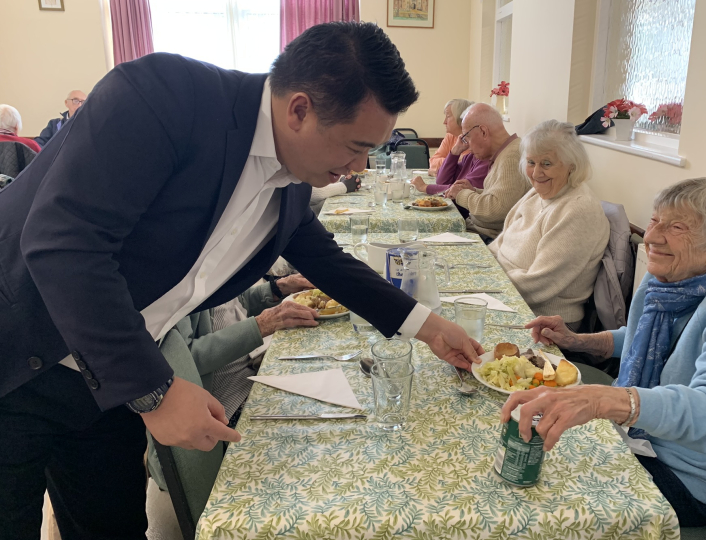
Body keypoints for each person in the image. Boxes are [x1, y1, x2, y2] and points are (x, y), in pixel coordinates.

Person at [0, 22, 482, 539]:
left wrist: (430, 327)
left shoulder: (292, 183)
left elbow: (330, 263)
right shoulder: (162, 97)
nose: (356, 167)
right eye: (355, 146)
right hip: (17, 349)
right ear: (299, 109)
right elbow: (65, 244)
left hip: (106, 375)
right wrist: (154, 391)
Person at [503, 178, 706, 527]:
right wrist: (577, 340)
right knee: (510, 451)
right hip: (631, 442)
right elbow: (638, 339)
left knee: (529, 511)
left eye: (677, 227)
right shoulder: (669, 279)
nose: (651, 237)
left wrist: (605, 400)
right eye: (655, 220)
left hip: (684, 478)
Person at [146, 276, 317, 490]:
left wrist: (275, 289)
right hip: (220, 412)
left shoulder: (211, 260)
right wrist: (260, 326)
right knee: (309, 447)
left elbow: (232, 306)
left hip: (251, 379)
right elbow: (178, 361)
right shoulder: (171, 278)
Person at [488, 120, 609, 327]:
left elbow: (539, 284)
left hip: (542, 320)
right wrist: (481, 270)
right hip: (506, 295)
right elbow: (500, 243)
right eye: (531, 162)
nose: (536, 173)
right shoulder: (538, 193)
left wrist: (487, 284)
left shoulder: (579, 210)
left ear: (572, 165)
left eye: (546, 163)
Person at [445, 103, 529, 241]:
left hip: (489, 239)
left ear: (483, 132)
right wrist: (475, 191)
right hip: (479, 232)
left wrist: (462, 194)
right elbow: (502, 199)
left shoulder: (511, 157)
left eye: (468, 138)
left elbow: (495, 210)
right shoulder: (505, 153)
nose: (468, 146)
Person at [411, 106, 491, 200]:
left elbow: (461, 191)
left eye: (467, 135)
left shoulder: (486, 160)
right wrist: (455, 152)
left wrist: (425, 187)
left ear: (483, 132)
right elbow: (441, 181)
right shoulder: (471, 156)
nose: (465, 141)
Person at [427, 98, 474, 175]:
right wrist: (456, 160)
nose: (444, 122)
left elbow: (466, 169)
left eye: (448, 116)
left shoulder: (476, 139)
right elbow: (433, 162)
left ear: (461, 118)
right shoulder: (450, 136)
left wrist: (443, 168)